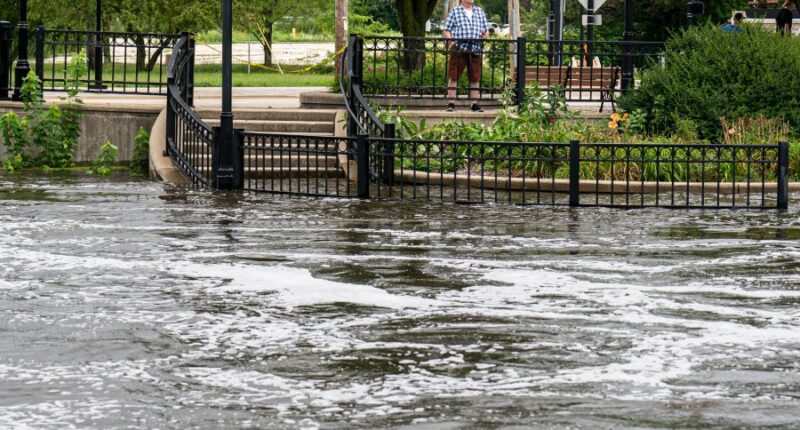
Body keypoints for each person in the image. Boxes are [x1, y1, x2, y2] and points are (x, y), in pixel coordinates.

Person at [443, 0, 489, 112]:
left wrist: (485, 35)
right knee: (454, 75)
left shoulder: (480, 11)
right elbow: (447, 30)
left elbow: (486, 31)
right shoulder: (455, 11)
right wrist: (451, 42)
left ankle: (474, 104)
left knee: (475, 77)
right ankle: (451, 104)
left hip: (475, 48)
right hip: (459, 48)